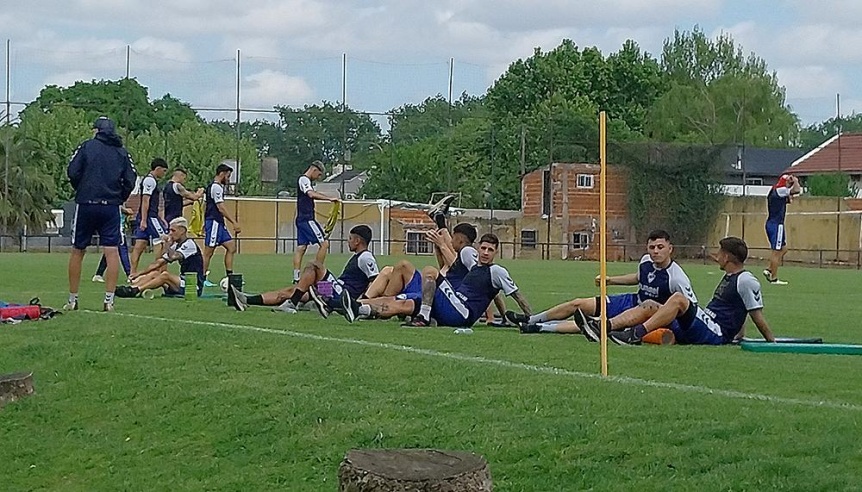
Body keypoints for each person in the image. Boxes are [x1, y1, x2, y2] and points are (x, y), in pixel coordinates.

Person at [509, 230, 697, 336]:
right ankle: (531, 318)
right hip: (632, 301)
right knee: (579, 304)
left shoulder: (677, 278)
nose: (655, 251)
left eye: (660, 247)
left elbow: (689, 308)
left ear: (670, 249)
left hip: (647, 313)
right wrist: (610, 280)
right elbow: (639, 277)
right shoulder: (646, 260)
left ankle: (539, 328)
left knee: (597, 323)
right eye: (652, 247)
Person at [606, 237, 776, 346]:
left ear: (727, 257)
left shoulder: (746, 280)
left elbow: (756, 315)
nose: (717, 256)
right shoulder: (732, 277)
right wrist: (739, 336)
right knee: (650, 305)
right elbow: (740, 309)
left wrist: (772, 343)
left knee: (679, 299)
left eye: (720, 253)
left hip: (716, 331)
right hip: (708, 321)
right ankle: (607, 327)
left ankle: (636, 334)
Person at [340, 233, 531, 328]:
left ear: (496, 252)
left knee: (423, 270)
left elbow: (516, 295)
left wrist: (530, 318)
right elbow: (493, 295)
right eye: (483, 249)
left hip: (461, 312)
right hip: (450, 304)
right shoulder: (475, 267)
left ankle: (423, 316)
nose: (486, 253)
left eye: (490, 250)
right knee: (402, 302)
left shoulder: (496, 271)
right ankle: (357, 308)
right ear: (478, 248)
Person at [65, 116, 137, 312]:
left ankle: (72, 299)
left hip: (86, 203)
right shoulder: (121, 152)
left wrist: (82, 188)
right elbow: (131, 179)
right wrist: (119, 196)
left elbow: (72, 171)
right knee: (111, 250)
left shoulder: (86, 147)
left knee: (78, 250)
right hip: (111, 206)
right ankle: (109, 300)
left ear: (96, 130)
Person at [232, 225, 378, 315]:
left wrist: (362, 300)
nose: (348, 241)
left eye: (350, 238)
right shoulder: (359, 256)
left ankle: (293, 303)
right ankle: (246, 299)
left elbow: (375, 281)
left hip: (342, 294)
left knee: (314, 265)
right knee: (292, 291)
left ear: (357, 241)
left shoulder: (366, 257)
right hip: (334, 290)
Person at [123, 217, 205, 298]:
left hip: (193, 286)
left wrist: (167, 245)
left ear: (182, 231)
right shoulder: (176, 245)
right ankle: (131, 288)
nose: (170, 234)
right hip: (182, 281)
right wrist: (138, 274)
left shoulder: (189, 244)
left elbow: (173, 256)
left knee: (165, 275)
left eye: (173, 231)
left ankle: (137, 290)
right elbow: (158, 262)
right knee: (155, 273)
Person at [293, 160, 340, 283]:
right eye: (319, 174)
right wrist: (329, 198)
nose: (318, 178)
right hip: (307, 219)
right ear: (314, 170)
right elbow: (310, 194)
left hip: (301, 219)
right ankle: (318, 273)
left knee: (301, 248)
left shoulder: (306, 181)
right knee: (324, 244)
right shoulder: (304, 180)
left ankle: (296, 277)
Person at [202, 163, 241, 284]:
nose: (228, 179)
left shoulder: (212, 187)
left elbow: (205, 205)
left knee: (231, 247)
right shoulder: (216, 187)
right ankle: (202, 278)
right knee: (208, 252)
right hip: (214, 223)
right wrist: (234, 222)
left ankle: (230, 277)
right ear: (222, 174)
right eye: (228, 176)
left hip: (218, 223)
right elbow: (221, 208)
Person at [129, 158, 169, 275]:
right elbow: (145, 201)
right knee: (163, 242)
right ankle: (159, 271)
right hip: (150, 218)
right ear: (158, 169)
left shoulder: (150, 181)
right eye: (164, 171)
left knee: (139, 246)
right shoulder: (150, 181)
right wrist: (144, 220)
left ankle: (132, 274)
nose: (164, 173)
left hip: (147, 217)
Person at [764, 173, 801, 285]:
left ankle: (770, 269)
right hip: (777, 225)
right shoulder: (781, 190)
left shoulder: (774, 191)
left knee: (784, 249)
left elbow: (789, 200)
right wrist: (795, 181)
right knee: (776, 252)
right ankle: (774, 278)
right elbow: (797, 190)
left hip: (772, 223)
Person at [92, 206, 134, 283]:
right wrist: (126, 210)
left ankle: (98, 274)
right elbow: (118, 205)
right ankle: (129, 274)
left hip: (112, 228)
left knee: (109, 251)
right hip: (117, 229)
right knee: (123, 251)